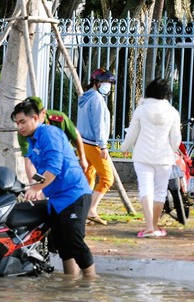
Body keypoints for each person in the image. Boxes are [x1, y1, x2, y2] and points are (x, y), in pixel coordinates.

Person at [12, 98, 96, 278]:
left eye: (23, 122)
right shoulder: (33, 140)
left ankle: (92, 282)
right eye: (17, 123)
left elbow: (55, 168)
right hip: (57, 199)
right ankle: (70, 282)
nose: (20, 127)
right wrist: (31, 184)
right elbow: (40, 172)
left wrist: (37, 189)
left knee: (74, 242)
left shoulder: (49, 133)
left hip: (74, 195)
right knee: (61, 243)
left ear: (36, 118)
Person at [121, 78, 182, 238]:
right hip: (164, 157)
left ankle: (148, 226)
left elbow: (132, 132)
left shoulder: (141, 110)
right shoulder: (172, 112)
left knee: (145, 189)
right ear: (166, 94)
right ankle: (155, 226)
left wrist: (124, 148)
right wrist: (174, 150)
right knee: (160, 191)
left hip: (142, 156)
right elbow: (176, 139)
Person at [76, 68, 117, 226]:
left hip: (84, 143)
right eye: (106, 83)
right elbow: (98, 124)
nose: (108, 86)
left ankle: (81, 209)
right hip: (94, 145)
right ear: (97, 83)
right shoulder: (97, 99)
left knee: (88, 177)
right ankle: (91, 210)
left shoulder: (85, 97)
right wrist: (103, 146)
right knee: (107, 178)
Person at [17, 96, 88, 175]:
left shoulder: (58, 118)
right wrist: (34, 184)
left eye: (35, 117)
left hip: (65, 156)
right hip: (43, 161)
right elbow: (28, 160)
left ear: (43, 113)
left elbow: (76, 135)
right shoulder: (24, 131)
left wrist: (83, 158)